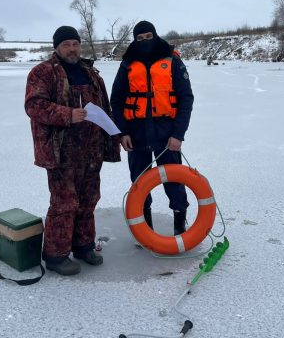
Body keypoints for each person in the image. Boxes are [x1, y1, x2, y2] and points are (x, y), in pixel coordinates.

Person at [24, 26, 120, 276]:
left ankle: (84, 246)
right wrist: (68, 114)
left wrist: (115, 135)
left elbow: (105, 108)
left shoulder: (90, 73)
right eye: (66, 44)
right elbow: (34, 106)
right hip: (61, 151)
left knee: (89, 199)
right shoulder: (43, 73)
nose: (72, 49)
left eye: (75, 44)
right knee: (64, 203)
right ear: (57, 47)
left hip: (91, 150)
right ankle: (56, 255)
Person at [110, 21, 194, 236]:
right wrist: (123, 132)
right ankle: (144, 228)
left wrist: (178, 134)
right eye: (140, 39)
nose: (145, 42)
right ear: (135, 40)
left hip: (166, 134)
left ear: (155, 36)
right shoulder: (127, 64)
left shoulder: (172, 61)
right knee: (139, 181)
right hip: (136, 134)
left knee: (174, 180)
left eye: (149, 37)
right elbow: (117, 100)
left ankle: (179, 226)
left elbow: (185, 98)